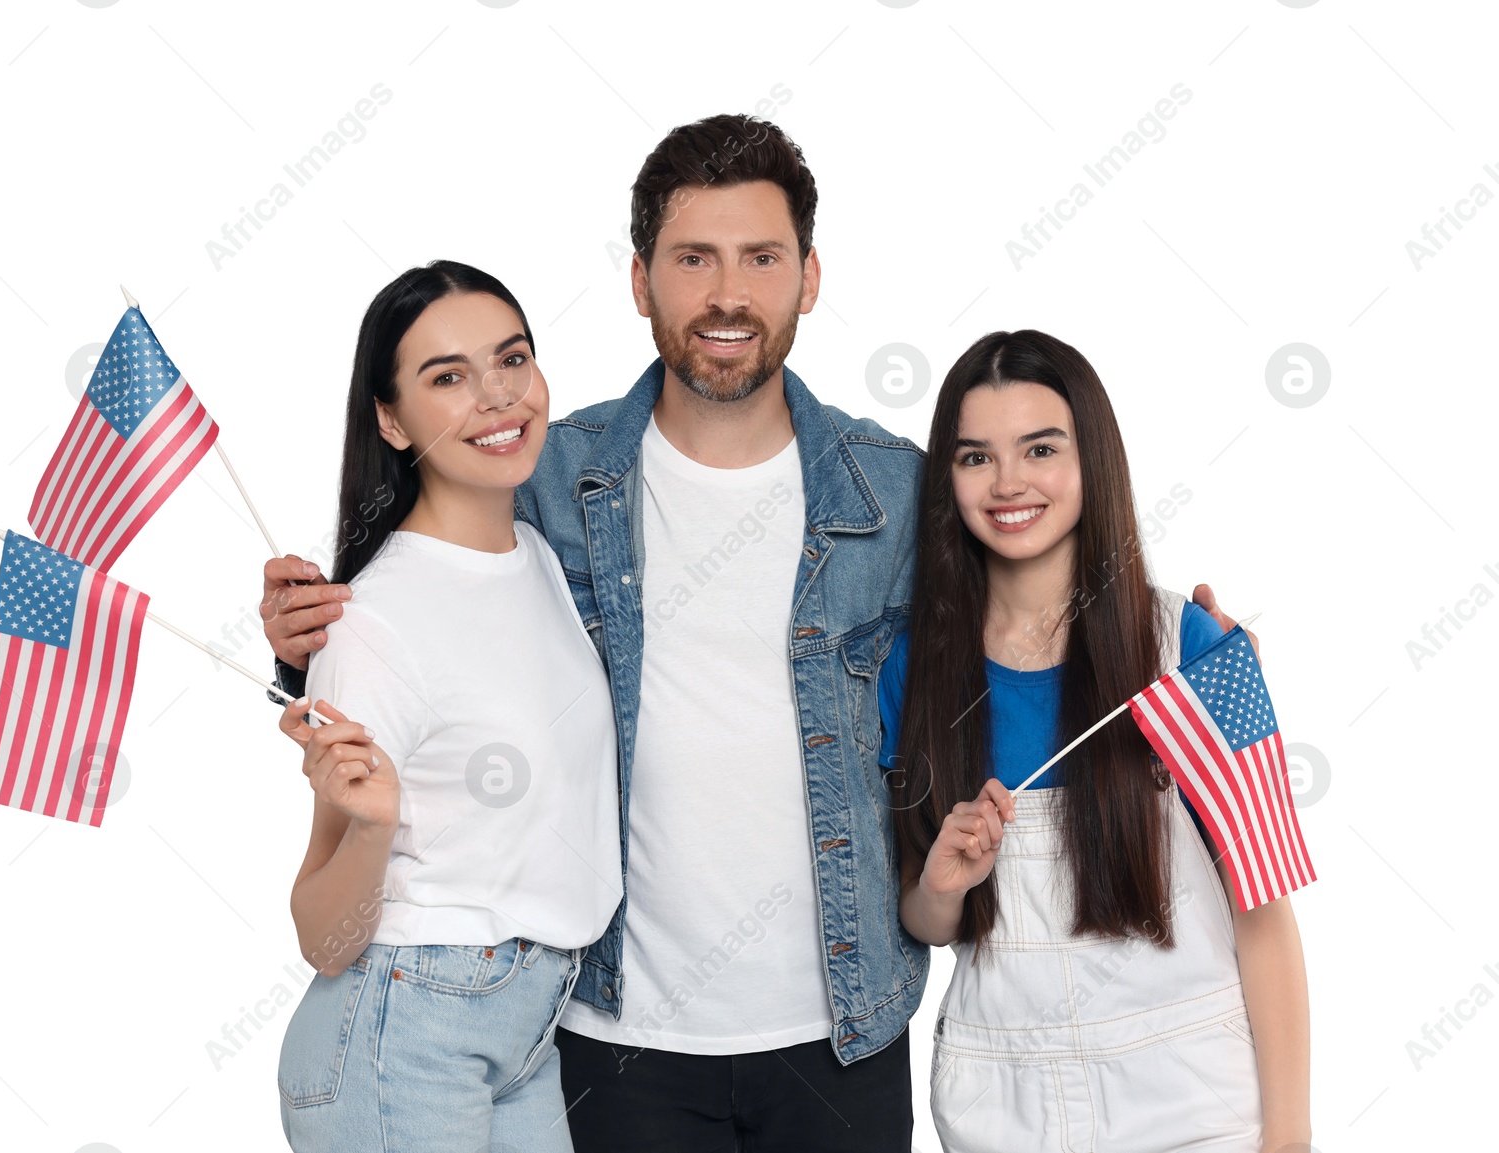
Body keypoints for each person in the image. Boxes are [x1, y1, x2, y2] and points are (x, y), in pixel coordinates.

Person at [260, 114, 1258, 1152]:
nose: (727, 294)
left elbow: (1026, 600)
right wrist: (304, 638)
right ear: (641, 281)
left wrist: (1174, 645)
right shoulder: (549, 472)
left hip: (842, 1034)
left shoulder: (893, 488)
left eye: (760, 258)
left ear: (808, 278)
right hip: (611, 1038)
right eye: (693, 259)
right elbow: (437, 589)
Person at [882, 330, 1310, 1152]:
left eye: (1039, 448)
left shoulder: (1191, 650)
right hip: (1002, 1105)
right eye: (975, 457)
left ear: (1093, 457)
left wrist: (1289, 1136)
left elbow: (1266, 909)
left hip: (1193, 1099)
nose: (1009, 482)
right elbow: (926, 917)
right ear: (947, 479)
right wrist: (940, 885)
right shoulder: (914, 670)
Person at [271, 261, 621, 1153]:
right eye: (448, 377)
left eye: (512, 359)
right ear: (390, 420)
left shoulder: (540, 557)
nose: (497, 397)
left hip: (529, 1025)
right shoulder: (374, 619)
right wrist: (375, 826)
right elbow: (322, 933)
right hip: (404, 1031)